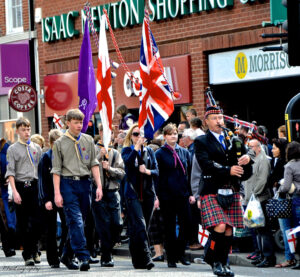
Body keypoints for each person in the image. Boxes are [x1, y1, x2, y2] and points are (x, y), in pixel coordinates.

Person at [194, 106, 252, 277]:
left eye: (220, 117)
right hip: (212, 189)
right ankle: (214, 260)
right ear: (206, 121)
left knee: (228, 230)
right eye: (214, 118)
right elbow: (206, 164)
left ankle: (223, 263)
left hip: (231, 189)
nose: (219, 121)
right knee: (219, 226)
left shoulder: (233, 140)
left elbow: (245, 170)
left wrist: (247, 160)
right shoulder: (201, 141)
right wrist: (228, 170)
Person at [52, 109, 103, 271]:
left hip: (84, 184)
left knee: (79, 223)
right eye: (75, 122)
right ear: (67, 123)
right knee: (76, 221)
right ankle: (83, 256)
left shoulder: (88, 140)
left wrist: (99, 186)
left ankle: (66, 255)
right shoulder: (59, 143)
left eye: (81, 122)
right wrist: (57, 193)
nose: (79, 125)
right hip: (67, 184)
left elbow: (94, 164)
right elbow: (56, 170)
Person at [5, 117, 42, 266]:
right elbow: (10, 172)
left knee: (36, 222)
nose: (26, 132)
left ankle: (35, 250)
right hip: (21, 186)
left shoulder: (36, 148)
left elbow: (40, 170)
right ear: (17, 131)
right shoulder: (12, 149)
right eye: (23, 130)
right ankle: (28, 254)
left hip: (35, 186)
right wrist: (14, 191)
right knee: (24, 222)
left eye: (28, 129)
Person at [155, 123, 193, 268]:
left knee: (187, 224)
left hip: (183, 194)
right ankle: (171, 257)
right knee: (169, 227)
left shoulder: (185, 152)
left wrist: (190, 193)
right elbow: (157, 177)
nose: (173, 136)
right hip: (166, 195)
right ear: (165, 136)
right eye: (170, 134)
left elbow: (188, 174)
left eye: (175, 133)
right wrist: (157, 196)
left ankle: (180, 253)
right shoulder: (159, 153)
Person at [121, 124, 158, 270]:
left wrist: (147, 171)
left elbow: (157, 171)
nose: (139, 137)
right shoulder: (127, 150)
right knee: (140, 225)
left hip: (148, 193)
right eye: (136, 134)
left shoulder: (150, 151)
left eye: (141, 134)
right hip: (132, 193)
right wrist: (136, 148)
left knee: (141, 228)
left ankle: (137, 259)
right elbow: (128, 163)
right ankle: (147, 257)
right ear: (131, 136)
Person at [38, 129, 73, 269]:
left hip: (64, 197)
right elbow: (42, 181)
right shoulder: (45, 158)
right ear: (52, 143)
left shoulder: (65, 157)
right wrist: (45, 199)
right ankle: (53, 259)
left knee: (67, 225)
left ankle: (63, 253)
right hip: (50, 198)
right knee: (51, 229)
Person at [92, 123, 125, 267]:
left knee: (117, 224)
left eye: (110, 132)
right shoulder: (93, 150)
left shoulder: (115, 153)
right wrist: (99, 156)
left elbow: (122, 173)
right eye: (104, 131)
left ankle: (107, 248)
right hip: (98, 192)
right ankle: (106, 256)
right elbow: (87, 168)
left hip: (113, 191)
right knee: (103, 225)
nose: (107, 134)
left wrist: (109, 168)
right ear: (99, 132)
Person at [244, 139, 276, 268]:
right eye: (248, 146)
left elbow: (262, 180)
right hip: (252, 199)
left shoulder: (263, 160)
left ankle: (269, 257)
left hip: (259, 199)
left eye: (251, 146)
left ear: (258, 147)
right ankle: (262, 255)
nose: (249, 149)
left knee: (264, 230)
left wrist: (254, 194)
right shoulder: (251, 159)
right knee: (257, 229)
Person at [268, 138, 296, 268]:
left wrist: (278, 182)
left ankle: (289, 258)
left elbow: (281, 184)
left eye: (275, 147)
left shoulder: (285, 165)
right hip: (292, 199)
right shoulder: (283, 162)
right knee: (293, 229)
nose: (272, 150)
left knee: (286, 230)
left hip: (284, 199)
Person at [278, 141, 300, 270]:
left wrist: (280, 190)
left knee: (295, 230)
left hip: (296, 199)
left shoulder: (289, 166)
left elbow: (286, 187)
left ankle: (295, 258)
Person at [0, 137, 16, 257]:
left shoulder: (5, 146)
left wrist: (8, 176)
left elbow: (10, 164)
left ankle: (8, 246)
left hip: (2, 189)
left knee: (4, 218)